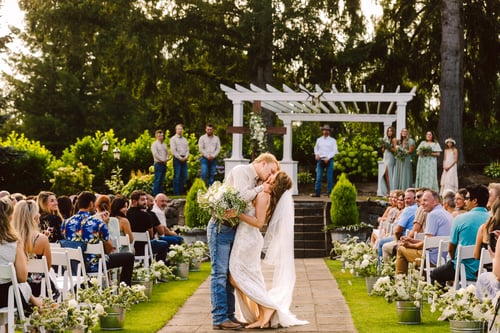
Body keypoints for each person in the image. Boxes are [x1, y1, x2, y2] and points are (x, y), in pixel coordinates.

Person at [208, 152, 279, 330]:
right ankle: (219, 318)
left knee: (230, 273)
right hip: (220, 227)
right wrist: (261, 189)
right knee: (219, 273)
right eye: (271, 171)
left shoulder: (256, 181)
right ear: (263, 163)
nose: (270, 177)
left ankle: (230, 316)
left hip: (234, 229)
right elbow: (240, 197)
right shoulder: (241, 171)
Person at [228, 171, 308, 328]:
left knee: (235, 278)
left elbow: (259, 223)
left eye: (274, 175)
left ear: (276, 182)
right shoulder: (263, 192)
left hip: (248, 239)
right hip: (245, 237)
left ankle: (267, 307)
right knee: (248, 278)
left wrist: (237, 214)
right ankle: (263, 313)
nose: (270, 175)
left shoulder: (264, 195)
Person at [61, 191, 134, 285]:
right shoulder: (98, 223)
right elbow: (108, 249)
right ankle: (125, 288)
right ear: (91, 204)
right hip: (95, 264)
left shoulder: (66, 223)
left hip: (74, 265)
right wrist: (106, 225)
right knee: (129, 257)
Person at [430, 184, 490, 288]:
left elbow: (451, 248)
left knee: (434, 274)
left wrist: (454, 260)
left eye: (466, 198)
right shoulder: (493, 219)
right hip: (487, 269)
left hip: (463, 267)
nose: (465, 201)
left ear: (474, 201)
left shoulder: (460, 219)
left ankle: (443, 301)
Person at [395, 190, 452, 275]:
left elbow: (428, 244)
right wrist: (411, 240)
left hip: (432, 259)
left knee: (400, 249)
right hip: (445, 258)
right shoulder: (447, 214)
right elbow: (431, 240)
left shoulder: (433, 215)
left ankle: (399, 284)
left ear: (435, 201)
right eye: (422, 200)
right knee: (406, 247)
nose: (422, 203)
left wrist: (411, 245)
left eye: (425, 200)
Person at [0, 197, 41, 314]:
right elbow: (22, 277)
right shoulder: (14, 242)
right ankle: (39, 308)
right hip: (4, 297)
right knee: (22, 286)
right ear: (9, 217)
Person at [11, 199, 58, 300]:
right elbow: (47, 268)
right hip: (39, 289)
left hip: (14, 288)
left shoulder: (9, 239)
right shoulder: (42, 240)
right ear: (35, 217)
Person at [127, 190, 169, 262]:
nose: (145, 202)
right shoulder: (146, 215)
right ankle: (160, 266)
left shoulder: (126, 213)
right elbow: (151, 235)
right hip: (144, 247)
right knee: (164, 244)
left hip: (130, 246)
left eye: (146, 199)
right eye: (142, 200)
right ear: (134, 201)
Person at [379, 188, 417, 264]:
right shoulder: (420, 208)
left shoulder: (408, 210)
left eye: (408, 198)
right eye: (405, 198)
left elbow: (397, 231)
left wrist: (397, 241)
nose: (406, 200)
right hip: (415, 238)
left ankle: (381, 269)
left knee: (382, 243)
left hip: (405, 238)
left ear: (415, 199)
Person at [311, 124, 338, 197]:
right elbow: (316, 148)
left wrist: (328, 158)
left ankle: (330, 193)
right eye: (324, 130)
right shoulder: (319, 140)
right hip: (320, 160)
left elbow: (335, 151)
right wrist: (316, 154)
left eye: (327, 130)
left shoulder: (333, 140)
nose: (326, 131)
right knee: (318, 177)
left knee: (329, 177)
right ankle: (317, 193)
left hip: (329, 160)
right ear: (322, 131)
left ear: (329, 131)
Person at [170, 124, 189, 195]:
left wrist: (186, 157)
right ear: (176, 130)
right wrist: (180, 157)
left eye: (181, 129)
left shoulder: (185, 139)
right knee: (177, 176)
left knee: (185, 176)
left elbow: (187, 149)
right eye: (178, 129)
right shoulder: (173, 139)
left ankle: (181, 191)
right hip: (177, 159)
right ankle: (176, 193)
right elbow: (173, 150)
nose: (180, 130)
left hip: (184, 158)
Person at [151, 129, 169, 196]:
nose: (161, 137)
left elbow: (167, 153)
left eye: (162, 136)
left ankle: (161, 194)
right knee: (157, 179)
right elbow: (155, 154)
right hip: (158, 164)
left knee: (162, 180)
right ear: (156, 136)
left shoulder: (164, 145)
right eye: (159, 136)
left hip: (164, 164)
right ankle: (156, 194)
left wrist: (166, 159)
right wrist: (162, 160)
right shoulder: (154, 144)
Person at [380, 126, 397, 196]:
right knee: (385, 175)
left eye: (391, 131)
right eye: (388, 131)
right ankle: (388, 190)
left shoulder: (394, 140)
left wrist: (389, 147)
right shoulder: (385, 139)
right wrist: (384, 146)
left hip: (390, 158)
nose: (389, 132)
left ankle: (390, 191)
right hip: (385, 158)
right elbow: (383, 150)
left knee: (389, 175)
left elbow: (395, 150)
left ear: (393, 132)